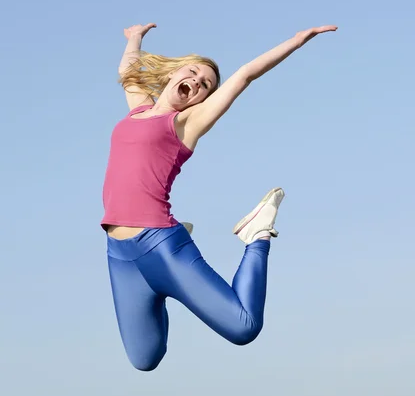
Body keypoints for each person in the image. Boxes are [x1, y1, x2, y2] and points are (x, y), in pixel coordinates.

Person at [101, 21, 337, 371]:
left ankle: (256, 235)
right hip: (120, 255)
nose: (197, 81)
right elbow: (128, 69)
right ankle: (170, 284)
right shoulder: (138, 109)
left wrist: (297, 41)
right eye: (194, 72)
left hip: (159, 245)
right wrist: (134, 37)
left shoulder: (185, 124)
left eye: (205, 85)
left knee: (243, 326)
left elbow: (244, 75)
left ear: (202, 100)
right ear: (174, 73)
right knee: (146, 359)